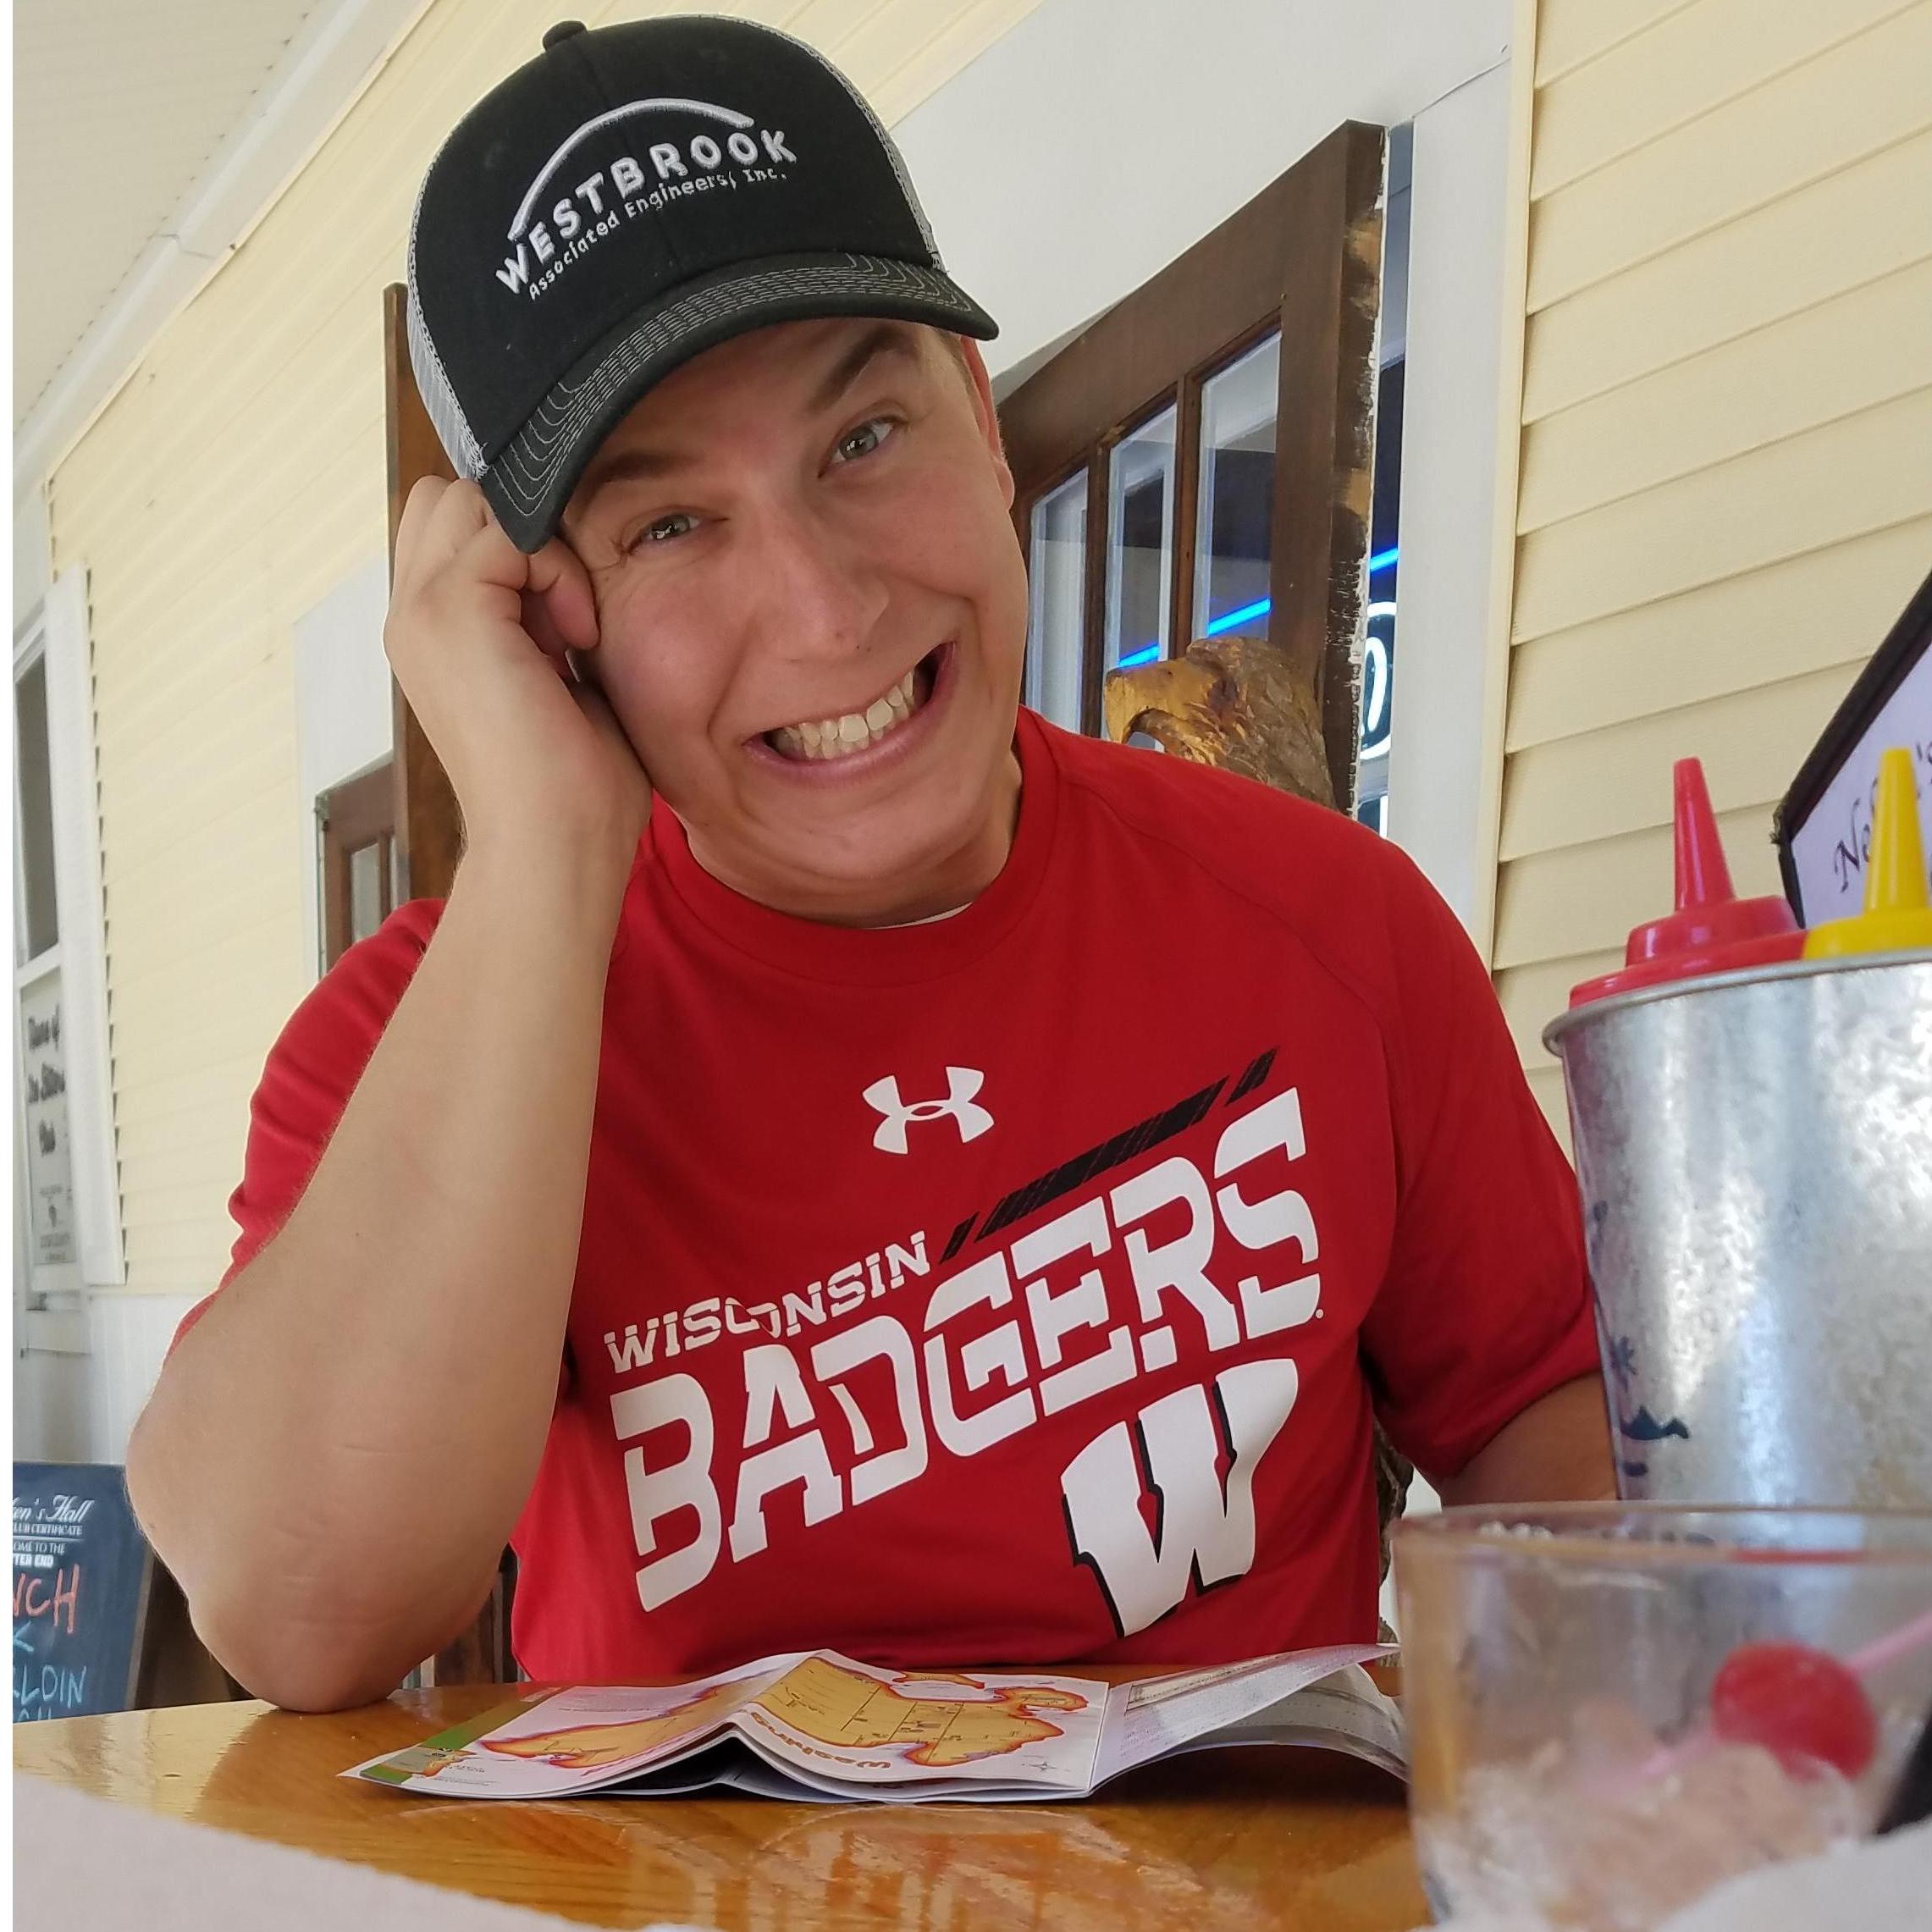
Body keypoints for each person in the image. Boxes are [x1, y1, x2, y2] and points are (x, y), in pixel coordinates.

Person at [126, 14, 1613, 1714]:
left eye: (862, 441)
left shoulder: (1329, 922)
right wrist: (543, 842)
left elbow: (1535, 1415)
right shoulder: (421, 1041)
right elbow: (295, 1605)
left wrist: (1553, 1753)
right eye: (667, 523)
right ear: (554, 622)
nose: (830, 614)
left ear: (979, 425)